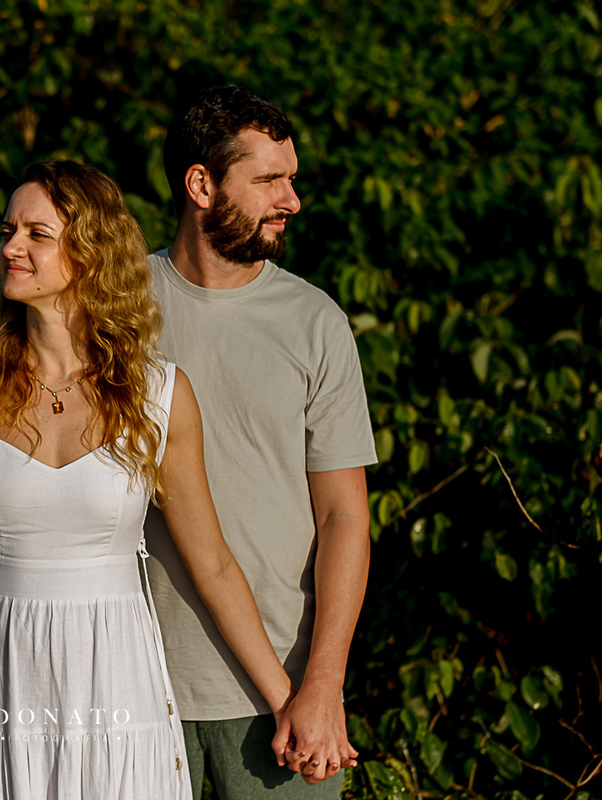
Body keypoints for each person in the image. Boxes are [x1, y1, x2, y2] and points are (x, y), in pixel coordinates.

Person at [0, 161, 305, 799]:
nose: (10, 248)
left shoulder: (160, 394)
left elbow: (211, 564)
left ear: (91, 251)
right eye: (8, 230)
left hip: (113, 674)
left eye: (36, 234)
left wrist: (287, 699)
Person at [142, 85, 377, 798]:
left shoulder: (314, 323)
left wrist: (323, 686)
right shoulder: (115, 308)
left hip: (282, 705)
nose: (291, 200)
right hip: (131, 689)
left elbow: (345, 518)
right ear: (202, 184)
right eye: (270, 180)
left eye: (292, 180)